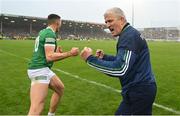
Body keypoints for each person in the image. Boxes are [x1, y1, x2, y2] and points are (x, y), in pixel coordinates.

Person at [80, 7, 157, 115]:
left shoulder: (128, 36)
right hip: (140, 88)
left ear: (121, 19)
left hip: (139, 90)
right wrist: (105, 57)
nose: (107, 25)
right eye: (106, 22)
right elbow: (127, 61)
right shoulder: (129, 33)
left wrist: (90, 59)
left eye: (110, 21)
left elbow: (120, 69)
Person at [27, 14, 79, 115]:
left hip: (42, 68)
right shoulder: (50, 34)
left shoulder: (43, 32)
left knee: (60, 88)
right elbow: (49, 57)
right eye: (61, 23)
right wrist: (70, 53)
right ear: (57, 22)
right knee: (37, 107)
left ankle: (51, 114)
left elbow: (46, 53)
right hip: (39, 70)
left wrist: (57, 53)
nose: (61, 25)